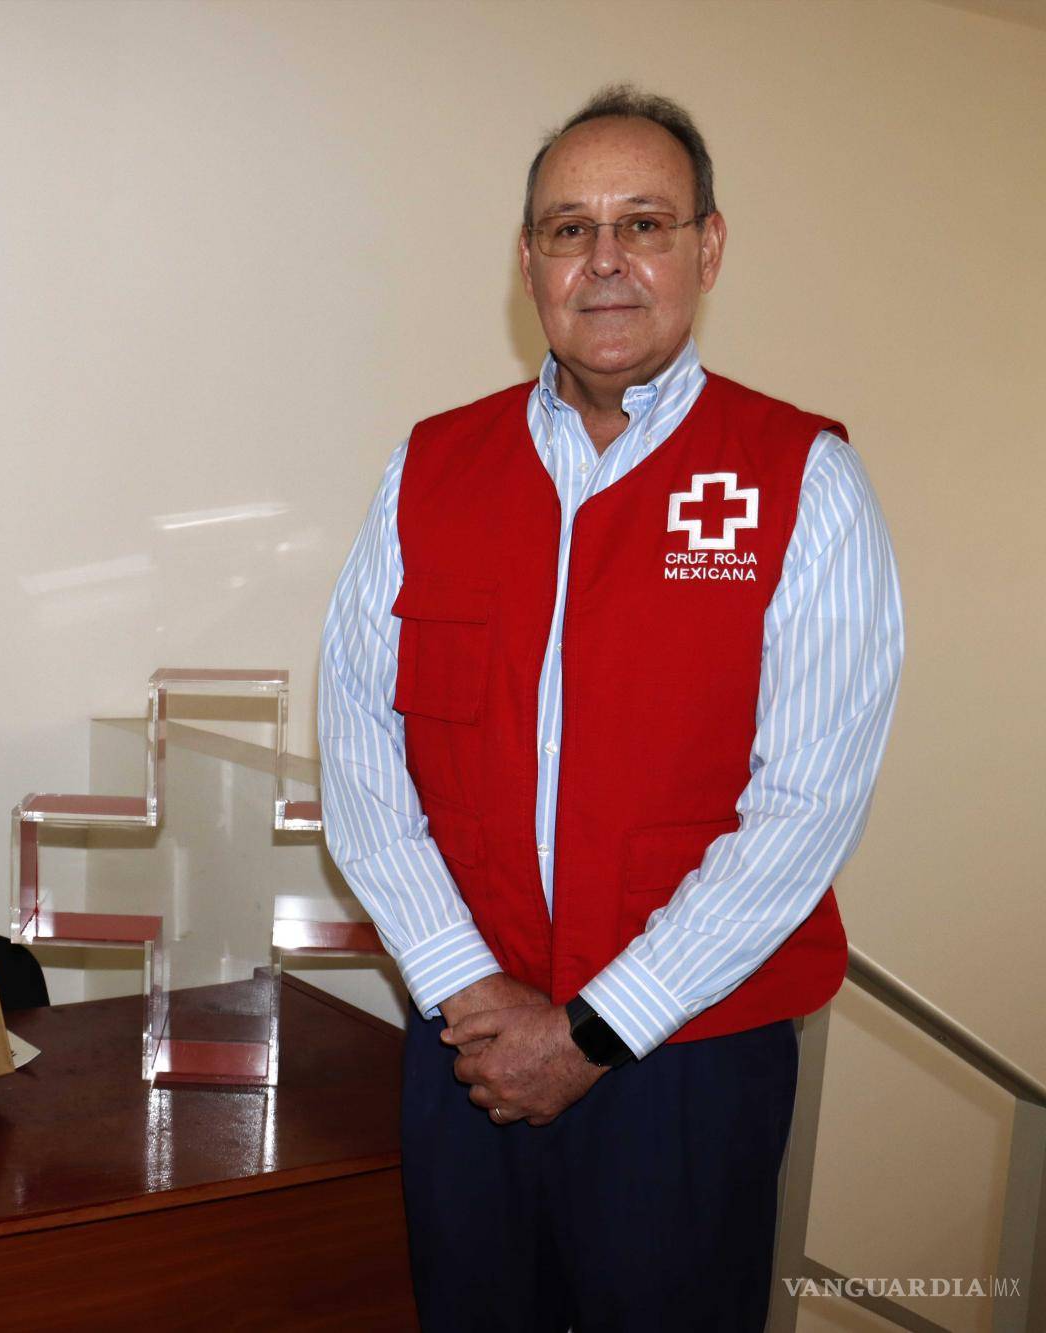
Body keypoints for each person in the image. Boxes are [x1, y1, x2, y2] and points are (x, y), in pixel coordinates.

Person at [318, 85, 904, 1331]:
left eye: (642, 222)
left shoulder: (800, 477)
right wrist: (467, 994)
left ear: (707, 246)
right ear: (527, 259)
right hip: (465, 1049)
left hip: (685, 1061)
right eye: (568, 228)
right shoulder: (429, 468)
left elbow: (802, 805)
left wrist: (591, 1031)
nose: (606, 262)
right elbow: (363, 752)